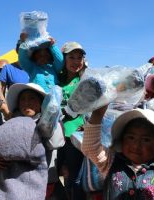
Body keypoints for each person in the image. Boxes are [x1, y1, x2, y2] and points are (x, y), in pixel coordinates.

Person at [0, 83, 65, 200]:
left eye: (32, 98)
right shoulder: (11, 124)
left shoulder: (51, 125)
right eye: (22, 99)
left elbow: (55, 143)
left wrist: (51, 119)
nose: (27, 103)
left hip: (44, 180)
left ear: (42, 103)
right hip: (11, 186)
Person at [82, 107, 154, 199]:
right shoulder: (110, 162)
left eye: (146, 140)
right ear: (122, 140)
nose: (136, 145)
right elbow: (91, 148)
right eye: (131, 137)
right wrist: (98, 114)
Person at [57, 41, 88, 200]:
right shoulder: (57, 78)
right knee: (56, 172)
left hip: (75, 135)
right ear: (63, 58)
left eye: (79, 57)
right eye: (71, 57)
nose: (76, 61)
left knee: (74, 175)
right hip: (55, 134)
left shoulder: (85, 80)